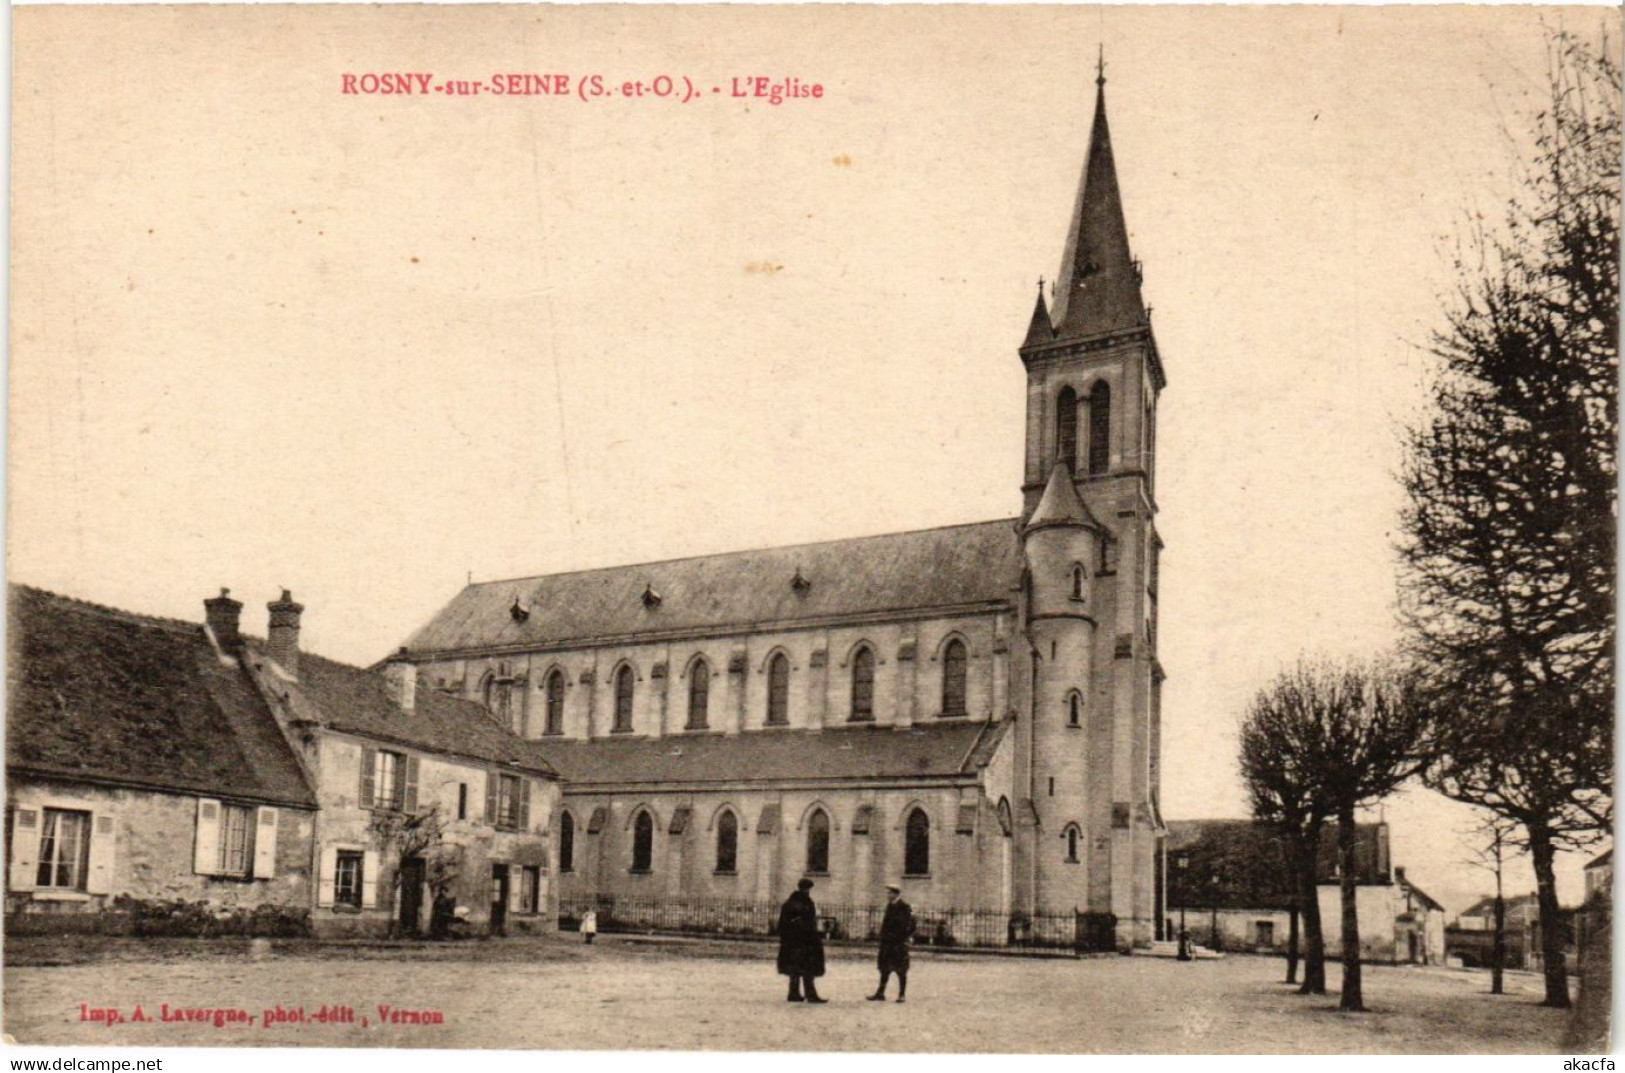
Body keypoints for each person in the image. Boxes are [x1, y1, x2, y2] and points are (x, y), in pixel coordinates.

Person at [776, 878, 827, 1003]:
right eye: (808, 888)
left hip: (792, 942)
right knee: (807, 968)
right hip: (804, 941)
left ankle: (793, 993)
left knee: (795, 969)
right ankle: (810, 994)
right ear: (805, 888)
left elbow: (782, 925)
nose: (808, 891)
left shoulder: (790, 902)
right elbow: (807, 923)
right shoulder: (804, 903)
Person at [867, 883, 915, 1003]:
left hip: (898, 944)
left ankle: (901, 994)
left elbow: (910, 925)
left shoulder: (904, 907)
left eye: (889, 893)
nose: (887, 895)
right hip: (887, 944)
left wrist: (904, 937)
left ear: (895, 894)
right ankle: (880, 993)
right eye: (887, 893)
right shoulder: (889, 906)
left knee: (901, 970)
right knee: (884, 969)